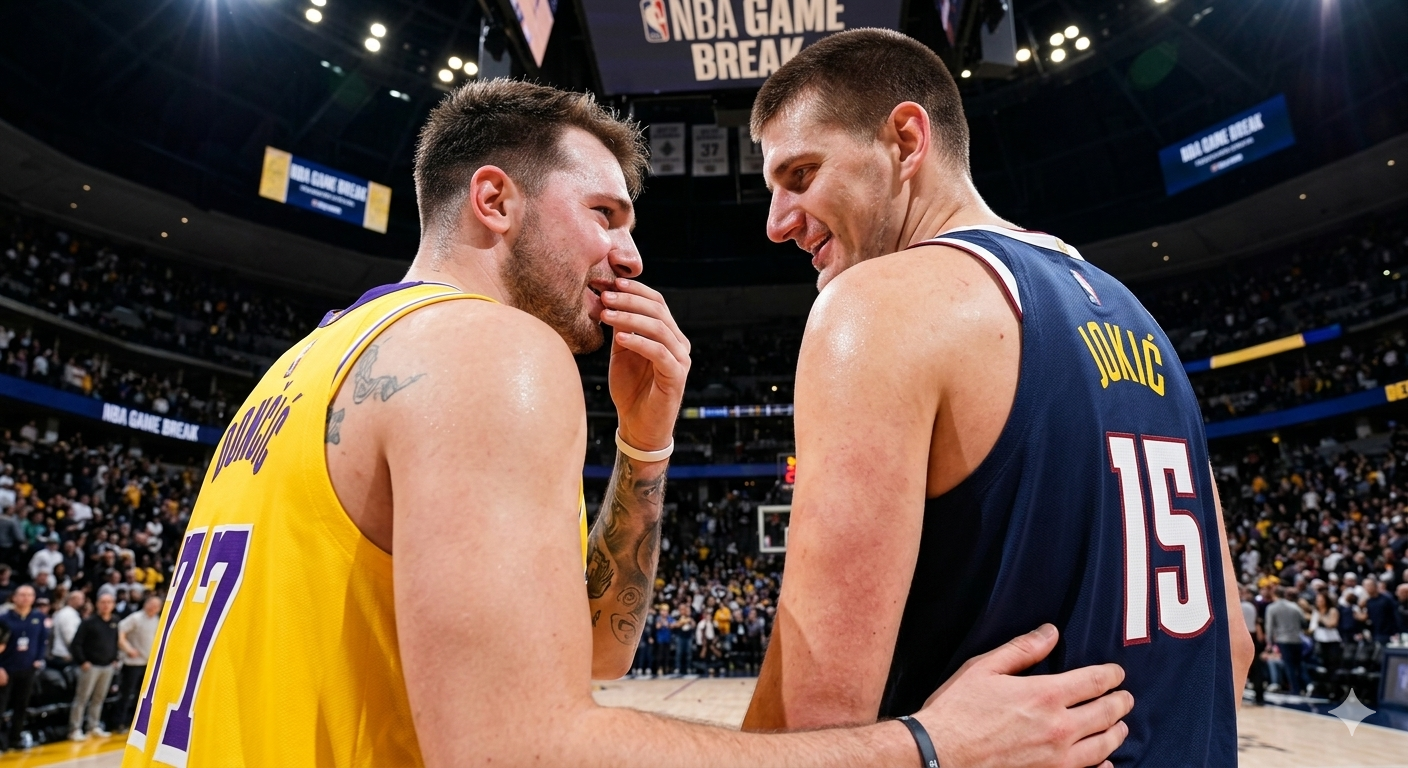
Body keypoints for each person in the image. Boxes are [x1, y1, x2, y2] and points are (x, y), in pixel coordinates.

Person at [119, 79, 1130, 768]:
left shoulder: (314, 362)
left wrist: (645, 444)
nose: (633, 254)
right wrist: (929, 746)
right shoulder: (486, 352)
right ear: (494, 200)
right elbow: (514, 753)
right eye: (605, 215)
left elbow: (594, 654)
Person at [738, 29, 1249, 765]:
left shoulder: (874, 308)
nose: (776, 222)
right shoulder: (1142, 321)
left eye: (801, 174)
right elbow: (1232, 647)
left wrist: (933, 748)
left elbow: (811, 721)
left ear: (905, 141)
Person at [0, 585, 49, 750]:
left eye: (29, 595)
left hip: (27, 669)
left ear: (34, 598)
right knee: (1, 706)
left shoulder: (39, 617)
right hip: (6, 669)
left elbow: (42, 640)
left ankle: (15, 740)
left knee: (21, 707)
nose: (26, 598)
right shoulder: (4, 618)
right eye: (22, 595)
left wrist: (38, 659)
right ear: (14, 597)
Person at [70, 592, 120, 741]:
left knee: (99, 698)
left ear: (113, 605)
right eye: (103, 602)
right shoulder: (88, 622)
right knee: (82, 698)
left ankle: (93, 726)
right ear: (97, 604)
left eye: (109, 602)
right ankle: (75, 729)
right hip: (90, 666)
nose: (106, 605)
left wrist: (115, 658)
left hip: (107, 666)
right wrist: (82, 661)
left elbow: (115, 641)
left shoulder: (115, 621)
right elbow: (76, 644)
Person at [116, 594, 161, 731]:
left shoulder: (157, 620)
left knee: (142, 696)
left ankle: (135, 723)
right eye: (151, 604)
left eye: (156, 606)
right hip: (133, 663)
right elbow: (120, 631)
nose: (153, 607)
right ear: (146, 604)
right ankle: (119, 723)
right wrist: (128, 649)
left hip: (148, 664)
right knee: (126, 694)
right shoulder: (135, 618)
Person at [1264, 587, 1306, 695]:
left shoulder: (1272, 607)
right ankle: (1304, 687)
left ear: (1274, 595)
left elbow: (1269, 627)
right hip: (1297, 639)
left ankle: (1295, 689)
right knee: (1298, 664)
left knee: (1289, 665)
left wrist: (1269, 642)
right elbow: (1304, 622)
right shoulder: (1294, 606)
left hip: (1283, 639)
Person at [51, 591, 86, 668]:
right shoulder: (67, 614)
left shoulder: (71, 613)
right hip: (64, 655)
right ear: (72, 599)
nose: (83, 601)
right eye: (81, 599)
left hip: (67, 654)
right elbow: (70, 638)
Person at [1362, 576, 1400, 644]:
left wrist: (1396, 632)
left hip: (1389, 633)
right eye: (1365, 586)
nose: (1367, 588)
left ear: (1375, 586)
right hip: (1375, 634)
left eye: (1369, 585)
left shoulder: (1387, 599)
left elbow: (1396, 615)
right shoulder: (1368, 602)